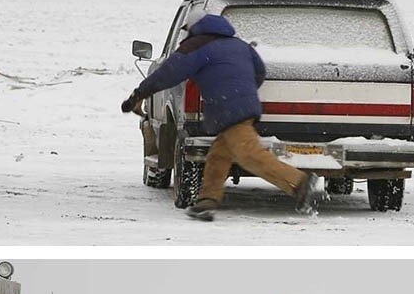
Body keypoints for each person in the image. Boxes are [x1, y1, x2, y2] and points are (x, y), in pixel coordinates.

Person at [121, 14, 317, 222]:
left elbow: (167, 73)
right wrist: (241, 92)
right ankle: (207, 201)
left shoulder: (196, 46)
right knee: (219, 156)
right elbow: (259, 71)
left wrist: (138, 94)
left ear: (195, 28)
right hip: (243, 107)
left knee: (249, 155)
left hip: (229, 109)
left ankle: (300, 182)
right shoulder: (240, 45)